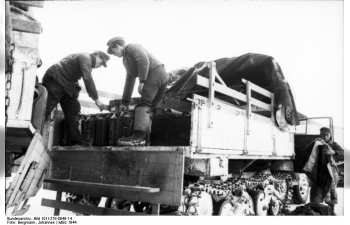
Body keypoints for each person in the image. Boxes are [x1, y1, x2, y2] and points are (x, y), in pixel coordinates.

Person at [106, 37, 168, 146]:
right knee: (149, 108)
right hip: (159, 75)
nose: (114, 55)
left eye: (113, 51)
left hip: (156, 72)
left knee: (143, 105)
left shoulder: (132, 47)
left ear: (117, 46)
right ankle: (147, 140)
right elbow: (129, 81)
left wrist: (142, 81)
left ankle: (139, 137)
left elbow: (144, 61)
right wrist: (125, 102)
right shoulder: (126, 60)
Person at [42, 51, 110, 146]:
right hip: (55, 79)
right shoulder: (85, 58)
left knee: (73, 110)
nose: (100, 66)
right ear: (97, 56)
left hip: (66, 84)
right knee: (46, 108)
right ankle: (34, 131)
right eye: (101, 63)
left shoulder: (84, 59)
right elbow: (88, 79)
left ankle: (75, 140)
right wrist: (96, 99)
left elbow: (72, 73)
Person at [303, 127, 344, 215]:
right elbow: (305, 150)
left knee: (331, 192)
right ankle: (317, 212)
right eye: (322, 135)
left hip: (331, 173)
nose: (324, 137)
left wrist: (334, 152)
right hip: (318, 173)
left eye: (326, 135)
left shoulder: (333, 144)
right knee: (315, 195)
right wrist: (313, 143)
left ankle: (331, 211)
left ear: (330, 135)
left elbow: (344, 153)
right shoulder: (317, 143)